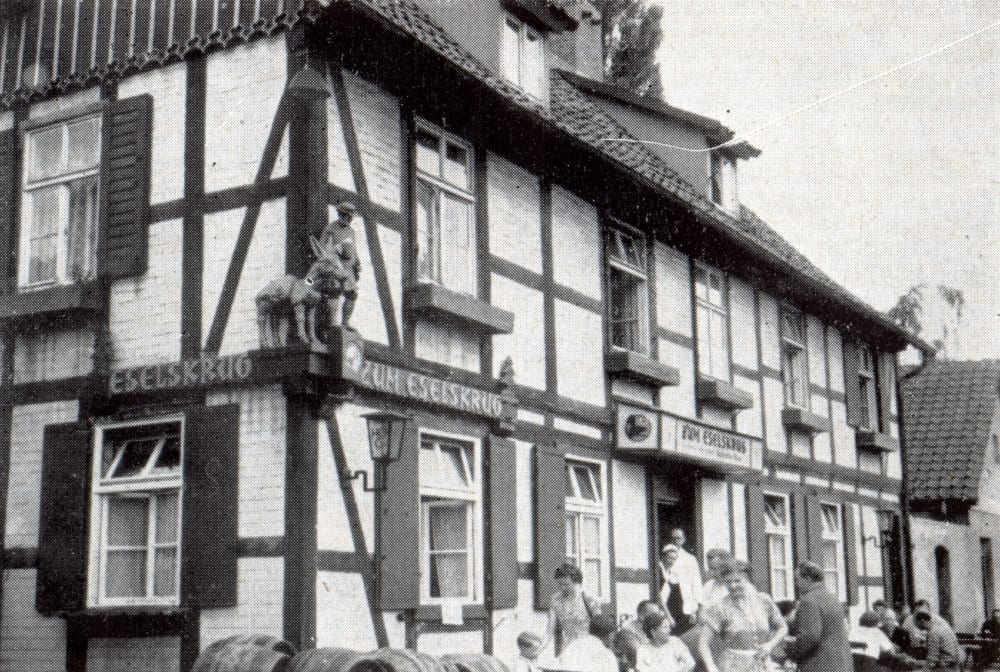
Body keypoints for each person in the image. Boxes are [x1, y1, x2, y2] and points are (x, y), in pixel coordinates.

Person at [697, 559, 787, 672]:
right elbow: (703, 643)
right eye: (728, 582)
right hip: (733, 667)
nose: (733, 586)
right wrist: (711, 667)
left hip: (763, 666)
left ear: (747, 579)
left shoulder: (764, 601)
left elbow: (783, 627)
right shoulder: (720, 608)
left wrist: (770, 645)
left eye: (737, 581)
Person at [783, 561, 851, 672]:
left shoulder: (809, 601)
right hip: (842, 664)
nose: (796, 584)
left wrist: (792, 655)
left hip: (820, 665)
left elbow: (809, 637)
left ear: (808, 579)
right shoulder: (833, 598)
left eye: (797, 579)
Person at [316, 200, 361, 326]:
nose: (347, 219)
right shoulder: (331, 228)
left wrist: (357, 261)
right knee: (334, 293)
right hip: (336, 266)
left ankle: (345, 322)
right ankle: (333, 324)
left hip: (349, 268)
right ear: (340, 214)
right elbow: (322, 248)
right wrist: (333, 255)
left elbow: (353, 248)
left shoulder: (351, 231)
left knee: (352, 294)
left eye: (349, 217)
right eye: (344, 215)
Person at [546, 563, 601, 655]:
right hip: (569, 649)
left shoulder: (589, 599)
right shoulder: (556, 600)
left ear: (577, 582)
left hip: (589, 648)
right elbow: (549, 631)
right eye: (559, 584)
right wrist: (537, 651)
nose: (562, 588)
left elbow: (600, 629)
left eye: (566, 584)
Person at [554, 614, 620, 672]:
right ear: (610, 635)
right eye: (613, 635)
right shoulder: (607, 655)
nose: (614, 638)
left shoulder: (573, 645)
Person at [660, 544, 702, 634]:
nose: (672, 561)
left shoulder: (672, 572)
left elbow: (687, 593)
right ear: (663, 556)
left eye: (674, 559)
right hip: (668, 614)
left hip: (680, 612)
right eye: (670, 558)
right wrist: (669, 617)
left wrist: (692, 612)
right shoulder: (660, 571)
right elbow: (661, 599)